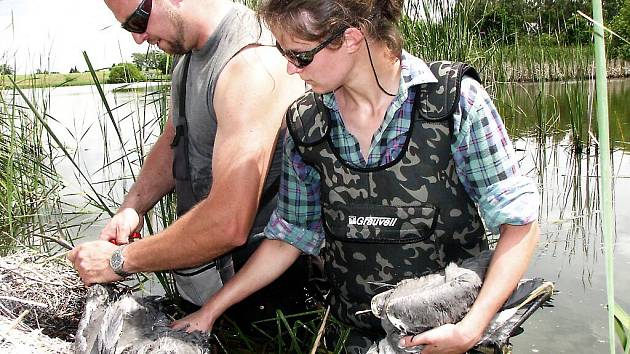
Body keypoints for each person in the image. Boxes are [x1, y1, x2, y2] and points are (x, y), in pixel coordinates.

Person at [168, 0, 540, 353]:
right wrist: (211, 309)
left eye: (300, 55)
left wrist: (471, 328)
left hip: (452, 335)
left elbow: (520, 226)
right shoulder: (306, 124)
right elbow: (289, 238)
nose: (290, 69)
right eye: (284, 54)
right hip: (355, 338)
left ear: (351, 38)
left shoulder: (456, 102)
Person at [67, 0, 306, 312]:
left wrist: (119, 260)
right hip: (206, 279)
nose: (137, 39)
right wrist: (132, 208)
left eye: (137, 22)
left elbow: (229, 223)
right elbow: (174, 141)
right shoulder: (188, 60)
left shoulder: (251, 64)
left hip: (261, 294)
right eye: (128, 27)